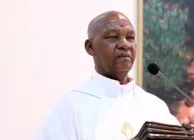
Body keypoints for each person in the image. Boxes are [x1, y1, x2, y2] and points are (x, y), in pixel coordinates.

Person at [35, 11, 179, 140]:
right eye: (112, 37)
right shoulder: (72, 107)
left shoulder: (155, 107)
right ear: (90, 47)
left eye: (130, 38)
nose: (125, 45)